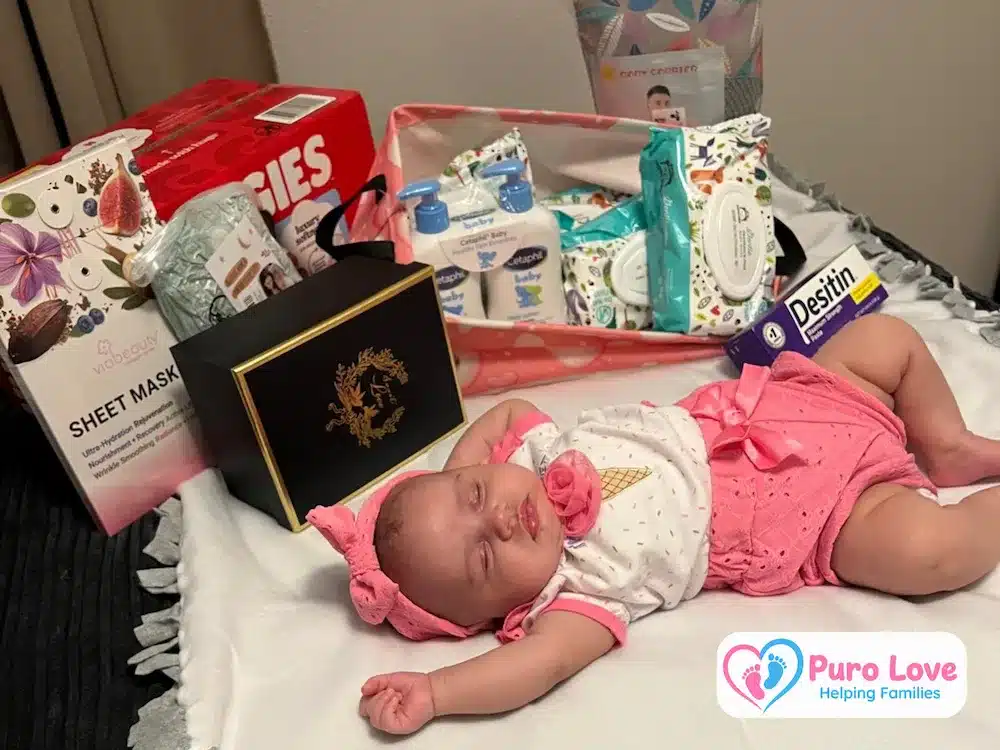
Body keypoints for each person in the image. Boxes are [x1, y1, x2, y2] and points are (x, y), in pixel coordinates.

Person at [307, 314, 1000, 735]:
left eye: (476, 495)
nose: (498, 520)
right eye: (484, 559)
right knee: (930, 553)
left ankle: (946, 443)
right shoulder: (574, 595)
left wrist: (461, 470)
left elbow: (506, 413)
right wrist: (436, 693)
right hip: (826, 510)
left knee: (884, 337)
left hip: (789, 405)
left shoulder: (534, 448)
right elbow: (537, 667)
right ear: (497, 614)